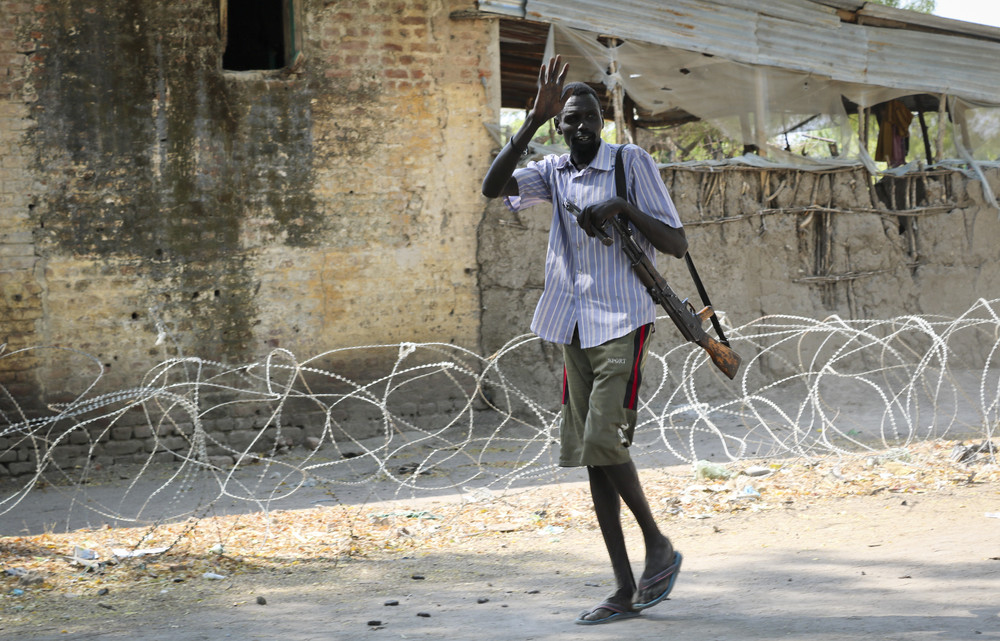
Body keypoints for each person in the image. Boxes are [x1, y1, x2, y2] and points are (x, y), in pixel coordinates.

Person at [481, 56, 688, 625]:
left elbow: (675, 242)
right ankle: (624, 585)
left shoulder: (631, 163)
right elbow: (491, 187)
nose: (580, 127)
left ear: (603, 122)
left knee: (602, 441)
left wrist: (622, 208)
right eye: (569, 119)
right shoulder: (551, 171)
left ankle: (658, 546)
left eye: (589, 117)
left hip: (624, 321)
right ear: (559, 124)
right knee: (595, 458)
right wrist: (528, 122)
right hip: (574, 326)